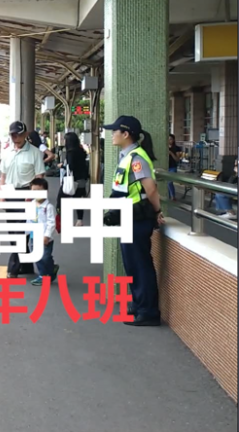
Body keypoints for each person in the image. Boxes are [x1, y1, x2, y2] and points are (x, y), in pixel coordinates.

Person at [103, 116, 163, 327]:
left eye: (115, 131)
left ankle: (148, 311)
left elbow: (151, 188)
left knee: (140, 264)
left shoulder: (136, 158)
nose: (112, 134)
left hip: (137, 218)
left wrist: (157, 211)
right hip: (128, 216)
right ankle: (139, 305)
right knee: (132, 264)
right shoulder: (127, 156)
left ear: (126, 134)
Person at [0, 121, 46, 278]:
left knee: (19, 232)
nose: (16, 137)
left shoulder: (34, 152)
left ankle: (13, 268)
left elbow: (39, 176)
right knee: (13, 230)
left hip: (26, 194)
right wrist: (2, 195)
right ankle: (26, 266)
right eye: (13, 135)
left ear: (25, 134)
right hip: (10, 193)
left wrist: (33, 195)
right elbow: (3, 176)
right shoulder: (6, 152)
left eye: (19, 134)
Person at [28, 177, 58, 286]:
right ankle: (44, 274)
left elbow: (51, 223)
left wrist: (47, 236)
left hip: (45, 237)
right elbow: (28, 220)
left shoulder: (48, 207)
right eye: (34, 191)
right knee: (36, 256)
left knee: (45, 257)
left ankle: (48, 271)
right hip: (33, 236)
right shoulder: (31, 204)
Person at [57, 132, 90, 226]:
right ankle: (80, 220)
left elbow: (70, 167)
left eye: (65, 139)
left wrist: (62, 166)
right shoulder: (81, 151)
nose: (64, 141)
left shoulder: (70, 152)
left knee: (60, 199)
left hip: (72, 180)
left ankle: (60, 219)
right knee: (78, 200)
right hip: (82, 179)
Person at [167, 134, 182, 200]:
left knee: (169, 182)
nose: (169, 141)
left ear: (173, 140)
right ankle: (168, 196)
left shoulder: (176, 148)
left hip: (172, 167)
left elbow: (177, 159)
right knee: (167, 183)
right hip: (166, 167)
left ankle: (173, 196)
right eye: (168, 139)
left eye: (170, 139)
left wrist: (171, 153)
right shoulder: (165, 147)